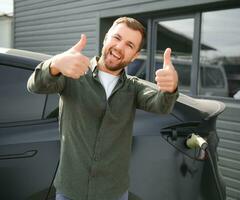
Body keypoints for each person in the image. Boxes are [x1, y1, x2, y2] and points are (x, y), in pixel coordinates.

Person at [27, 17, 179, 200]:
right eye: (116, 38)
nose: (119, 47)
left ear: (135, 56)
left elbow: (161, 105)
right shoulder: (73, 73)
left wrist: (171, 88)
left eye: (129, 45)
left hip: (114, 193)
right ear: (106, 38)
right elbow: (35, 86)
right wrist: (55, 64)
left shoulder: (134, 88)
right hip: (70, 189)